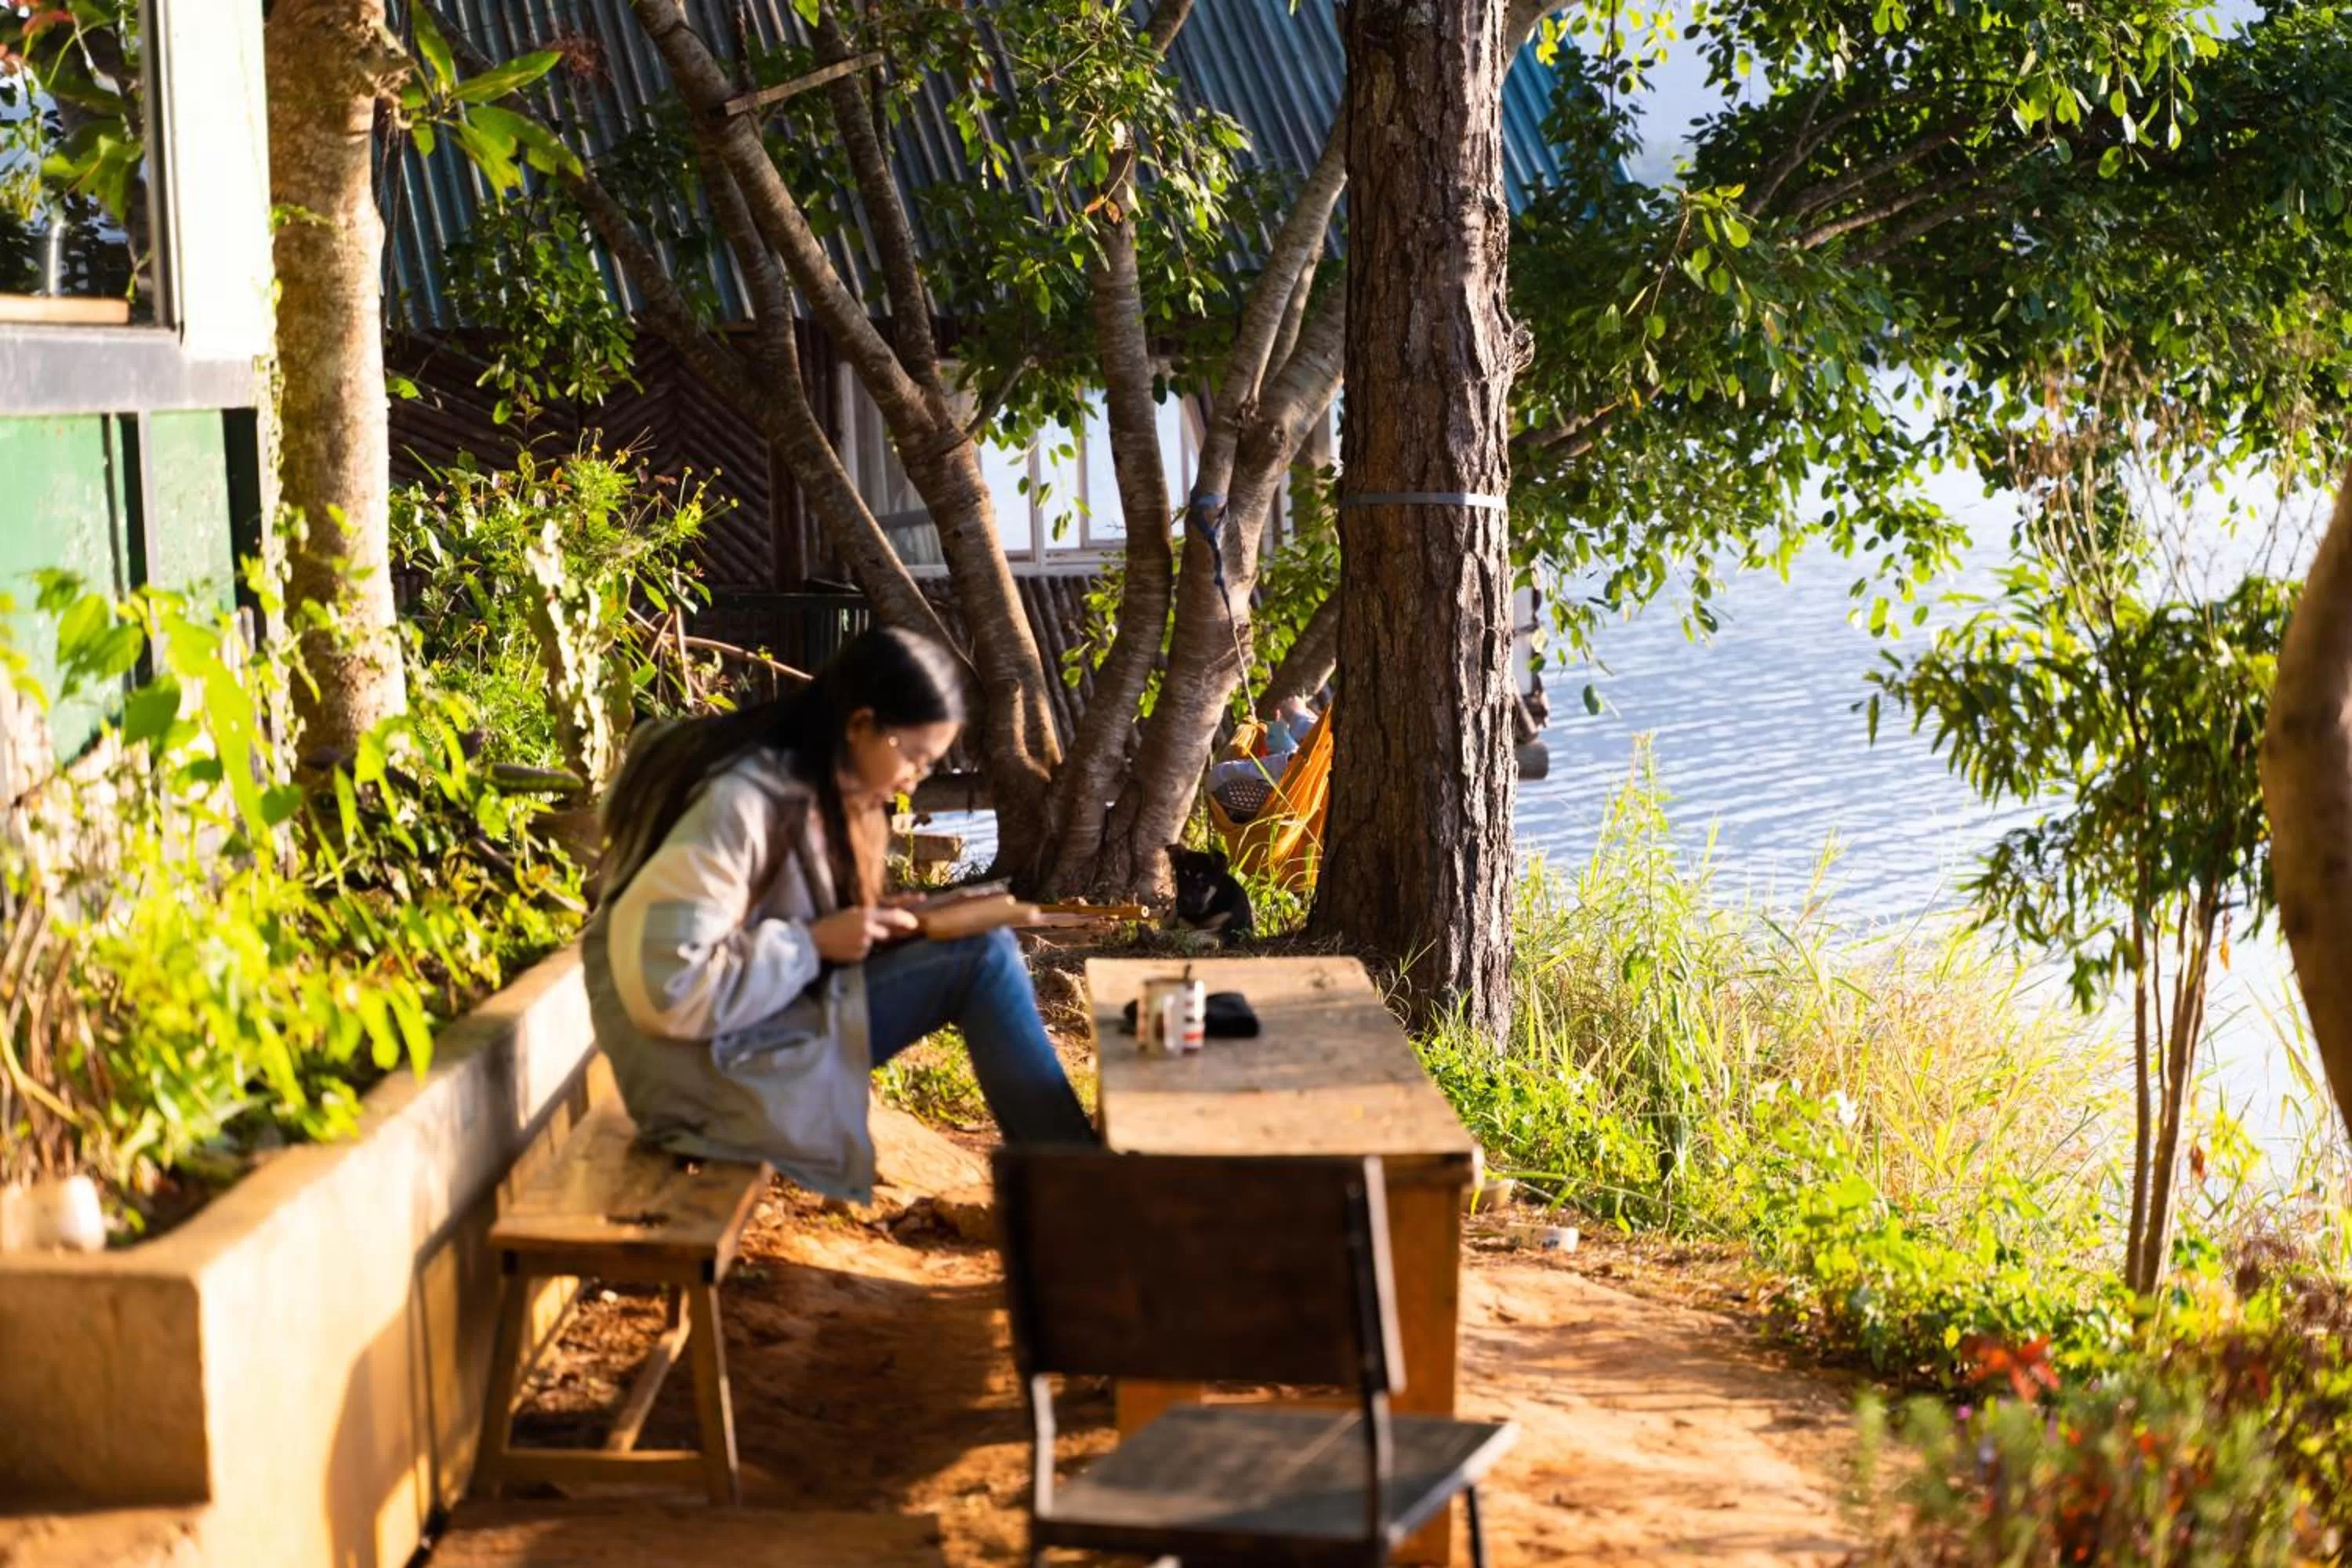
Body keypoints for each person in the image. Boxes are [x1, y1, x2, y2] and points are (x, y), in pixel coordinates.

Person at [583, 627, 1094, 1203]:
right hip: (698, 1077)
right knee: (988, 959)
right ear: (860, 725)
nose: (913, 780)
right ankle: (1086, 1194)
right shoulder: (741, 804)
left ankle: (1079, 1185)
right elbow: (670, 988)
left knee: (985, 947)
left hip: (742, 1035)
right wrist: (812, 943)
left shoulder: (818, 789)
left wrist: (873, 928)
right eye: (915, 759)